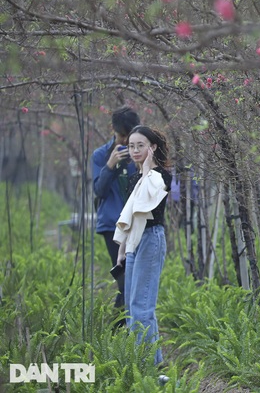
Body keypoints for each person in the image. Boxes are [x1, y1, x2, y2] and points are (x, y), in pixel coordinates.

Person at [113, 125, 172, 367]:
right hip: (134, 242)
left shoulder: (161, 176)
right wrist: (122, 249)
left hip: (151, 240)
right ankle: (153, 363)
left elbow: (145, 206)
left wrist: (147, 169)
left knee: (142, 307)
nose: (135, 150)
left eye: (140, 145)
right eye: (131, 146)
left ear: (153, 147)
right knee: (133, 306)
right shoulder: (135, 177)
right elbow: (130, 214)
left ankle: (147, 367)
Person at [92, 106, 140, 313]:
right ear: (113, 129)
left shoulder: (139, 154)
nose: (124, 141)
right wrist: (110, 166)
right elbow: (99, 191)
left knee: (134, 280)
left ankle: (124, 332)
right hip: (112, 225)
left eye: (128, 136)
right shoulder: (101, 155)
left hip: (137, 224)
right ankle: (120, 332)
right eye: (121, 135)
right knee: (124, 280)